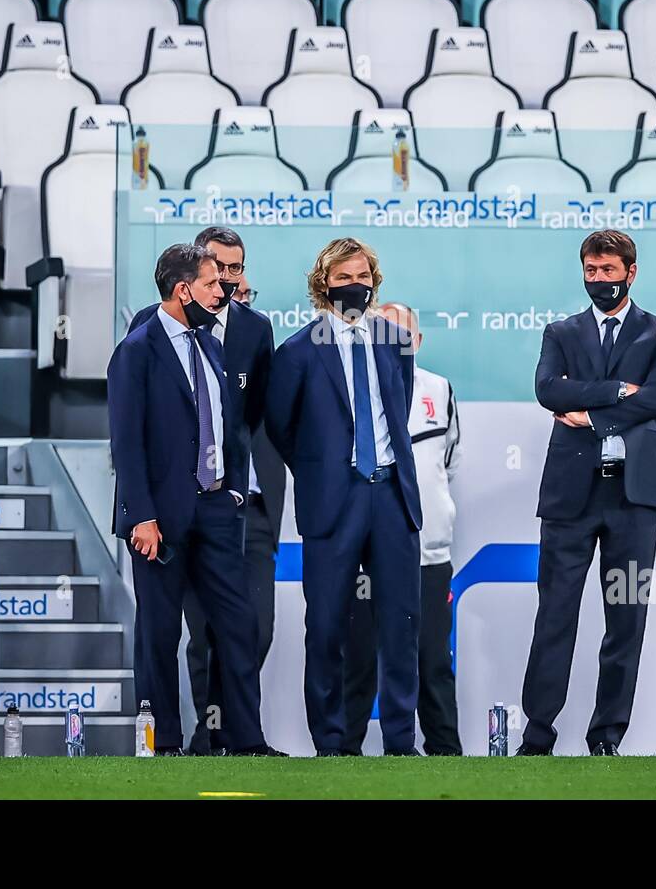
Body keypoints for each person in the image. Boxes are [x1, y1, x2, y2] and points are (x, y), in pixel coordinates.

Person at [107, 242, 281, 756]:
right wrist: (140, 514)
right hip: (159, 517)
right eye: (211, 283)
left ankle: (246, 740)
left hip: (215, 510)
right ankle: (163, 743)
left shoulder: (209, 344)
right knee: (160, 633)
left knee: (238, 623)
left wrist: (230, 489)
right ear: (183, 290)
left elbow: (233, 422)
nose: (222, 291)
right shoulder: (136, 349)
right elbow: (127, 441)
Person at [519, 230, 656, 757]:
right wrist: (616, 392)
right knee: (555, 615)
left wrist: (588, 413)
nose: (599, 281)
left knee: (625, 619)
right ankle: (537, 734)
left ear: (630, 272)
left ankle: (607, 736)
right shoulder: (560, 331)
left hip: (635, 496)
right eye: (591, 271)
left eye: (609, 271)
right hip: (571, 495)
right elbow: (548, 389)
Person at [265, 238, 424, 756]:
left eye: (362, 276)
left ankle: (401, 741)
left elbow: (396, 412)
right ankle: (331, 743)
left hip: (392, 496)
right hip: (333, 501)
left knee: (400, 625)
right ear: (324, 285)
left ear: (374, 281)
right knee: (327, 625)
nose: (354, 285)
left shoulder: (395, 340)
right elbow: (281, 428)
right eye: (342, 278)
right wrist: (321, 473)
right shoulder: (296, 351)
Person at [343, 302, 462, 756]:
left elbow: (448, 464)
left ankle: (445, 754)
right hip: (366, 552)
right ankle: (341, 753)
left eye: (404, 335)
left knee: (432, 660)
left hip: (428, 555)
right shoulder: (356, 388)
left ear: (419, 341)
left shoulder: (440, 389)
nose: (395, 343)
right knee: (358, 660)